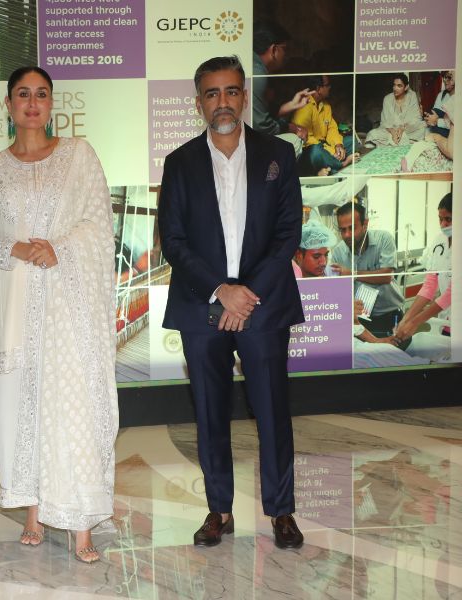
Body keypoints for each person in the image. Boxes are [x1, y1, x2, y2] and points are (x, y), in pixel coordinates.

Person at [158, 55, 305, 550]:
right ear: (199, 102)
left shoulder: (278, 154)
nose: (222, 102)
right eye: (212, 93)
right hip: (203, 307)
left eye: (232, 91)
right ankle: (218, 510)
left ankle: (281, 511)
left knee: (273, 411)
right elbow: (173, 240)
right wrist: (222, 290)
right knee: (209, 411)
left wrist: (246, 293)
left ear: (244, 96)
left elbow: (287, 234)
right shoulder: (179, 163)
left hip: (265, 305)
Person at [0, 66, 118, 564]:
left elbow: (99, 224)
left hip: (69, 306)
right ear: (8, 104)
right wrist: (16, 247)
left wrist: (59, 247)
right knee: (22, 407)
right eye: (23, 94)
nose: (32, 103)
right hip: (16, 303)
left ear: (52, 103)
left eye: (41, 94)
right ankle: (33, 512)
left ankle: (81, 523)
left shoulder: (79, 155)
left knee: (73, 407)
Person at [330, 201, 404, 337]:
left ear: (365, 224)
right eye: (342, 230)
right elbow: (335, 291)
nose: (347, 235)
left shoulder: (384, 239)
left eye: (352, 228)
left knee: (393, 348)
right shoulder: (338, 252)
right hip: (359, 319)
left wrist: (351, 274)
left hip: (389, 315)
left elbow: (386, 276)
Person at [393, 193, 452, 345]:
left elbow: (453, 293)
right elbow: (430, 285)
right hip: (446, 321)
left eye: (448, 219)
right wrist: (406, 318)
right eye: (440, 219)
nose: (443, 224)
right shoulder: (439, 241)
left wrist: (415, 322)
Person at [251, 19, 312, 157]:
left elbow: (258, 113)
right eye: (285, 49)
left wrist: (291, 105)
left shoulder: (254, 66)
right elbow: (262, 126)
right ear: (274, 50)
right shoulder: (258, 74)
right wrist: (293, 128)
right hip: (241, 145)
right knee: (293, 142)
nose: (286, 56)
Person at [292, 75, 357, 175]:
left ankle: (328, 166)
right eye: (327, 85)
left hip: (325, 145)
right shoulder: (304, 106)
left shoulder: (326, 106)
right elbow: (306, 140)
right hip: (309, 150)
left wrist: (338, 145)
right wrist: (330, 151)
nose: (330, 87)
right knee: (316, 152)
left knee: (351, 141)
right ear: (318, 88)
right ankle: (342, 164)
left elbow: (332, 128)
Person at [364, 73, 425, 147]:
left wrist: (402, 129)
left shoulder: (412, 96)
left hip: (407, 130)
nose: (395, 88)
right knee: (372, 134)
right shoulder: (387, 99)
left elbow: (416, 118)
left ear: (406, 87)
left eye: (399, 86)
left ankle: (395, 142)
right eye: (394, 85)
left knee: (422, 128)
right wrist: (393, 133)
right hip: (390, 131)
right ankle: (403, 141)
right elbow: (384, 122)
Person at [424, 71, 454, 137]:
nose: (445, 80)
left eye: (449, 77)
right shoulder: (441, 94)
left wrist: (437, 121)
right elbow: (434, 114)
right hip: (439, 130)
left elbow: (457, 124)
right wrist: (429, 118)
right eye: (444, 77)